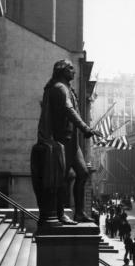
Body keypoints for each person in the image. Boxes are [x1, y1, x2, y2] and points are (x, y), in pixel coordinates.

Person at [34, 59, 102, 225]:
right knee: (61, 179)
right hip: (62, 140)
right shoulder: (59, 88)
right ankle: (60, 213)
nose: (74, 71)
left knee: (83, 173)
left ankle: (79, 213)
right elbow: (68, 109)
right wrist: (86, 128)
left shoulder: (67, 88)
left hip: (72, 141)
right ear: (62, 70)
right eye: (70, 69)